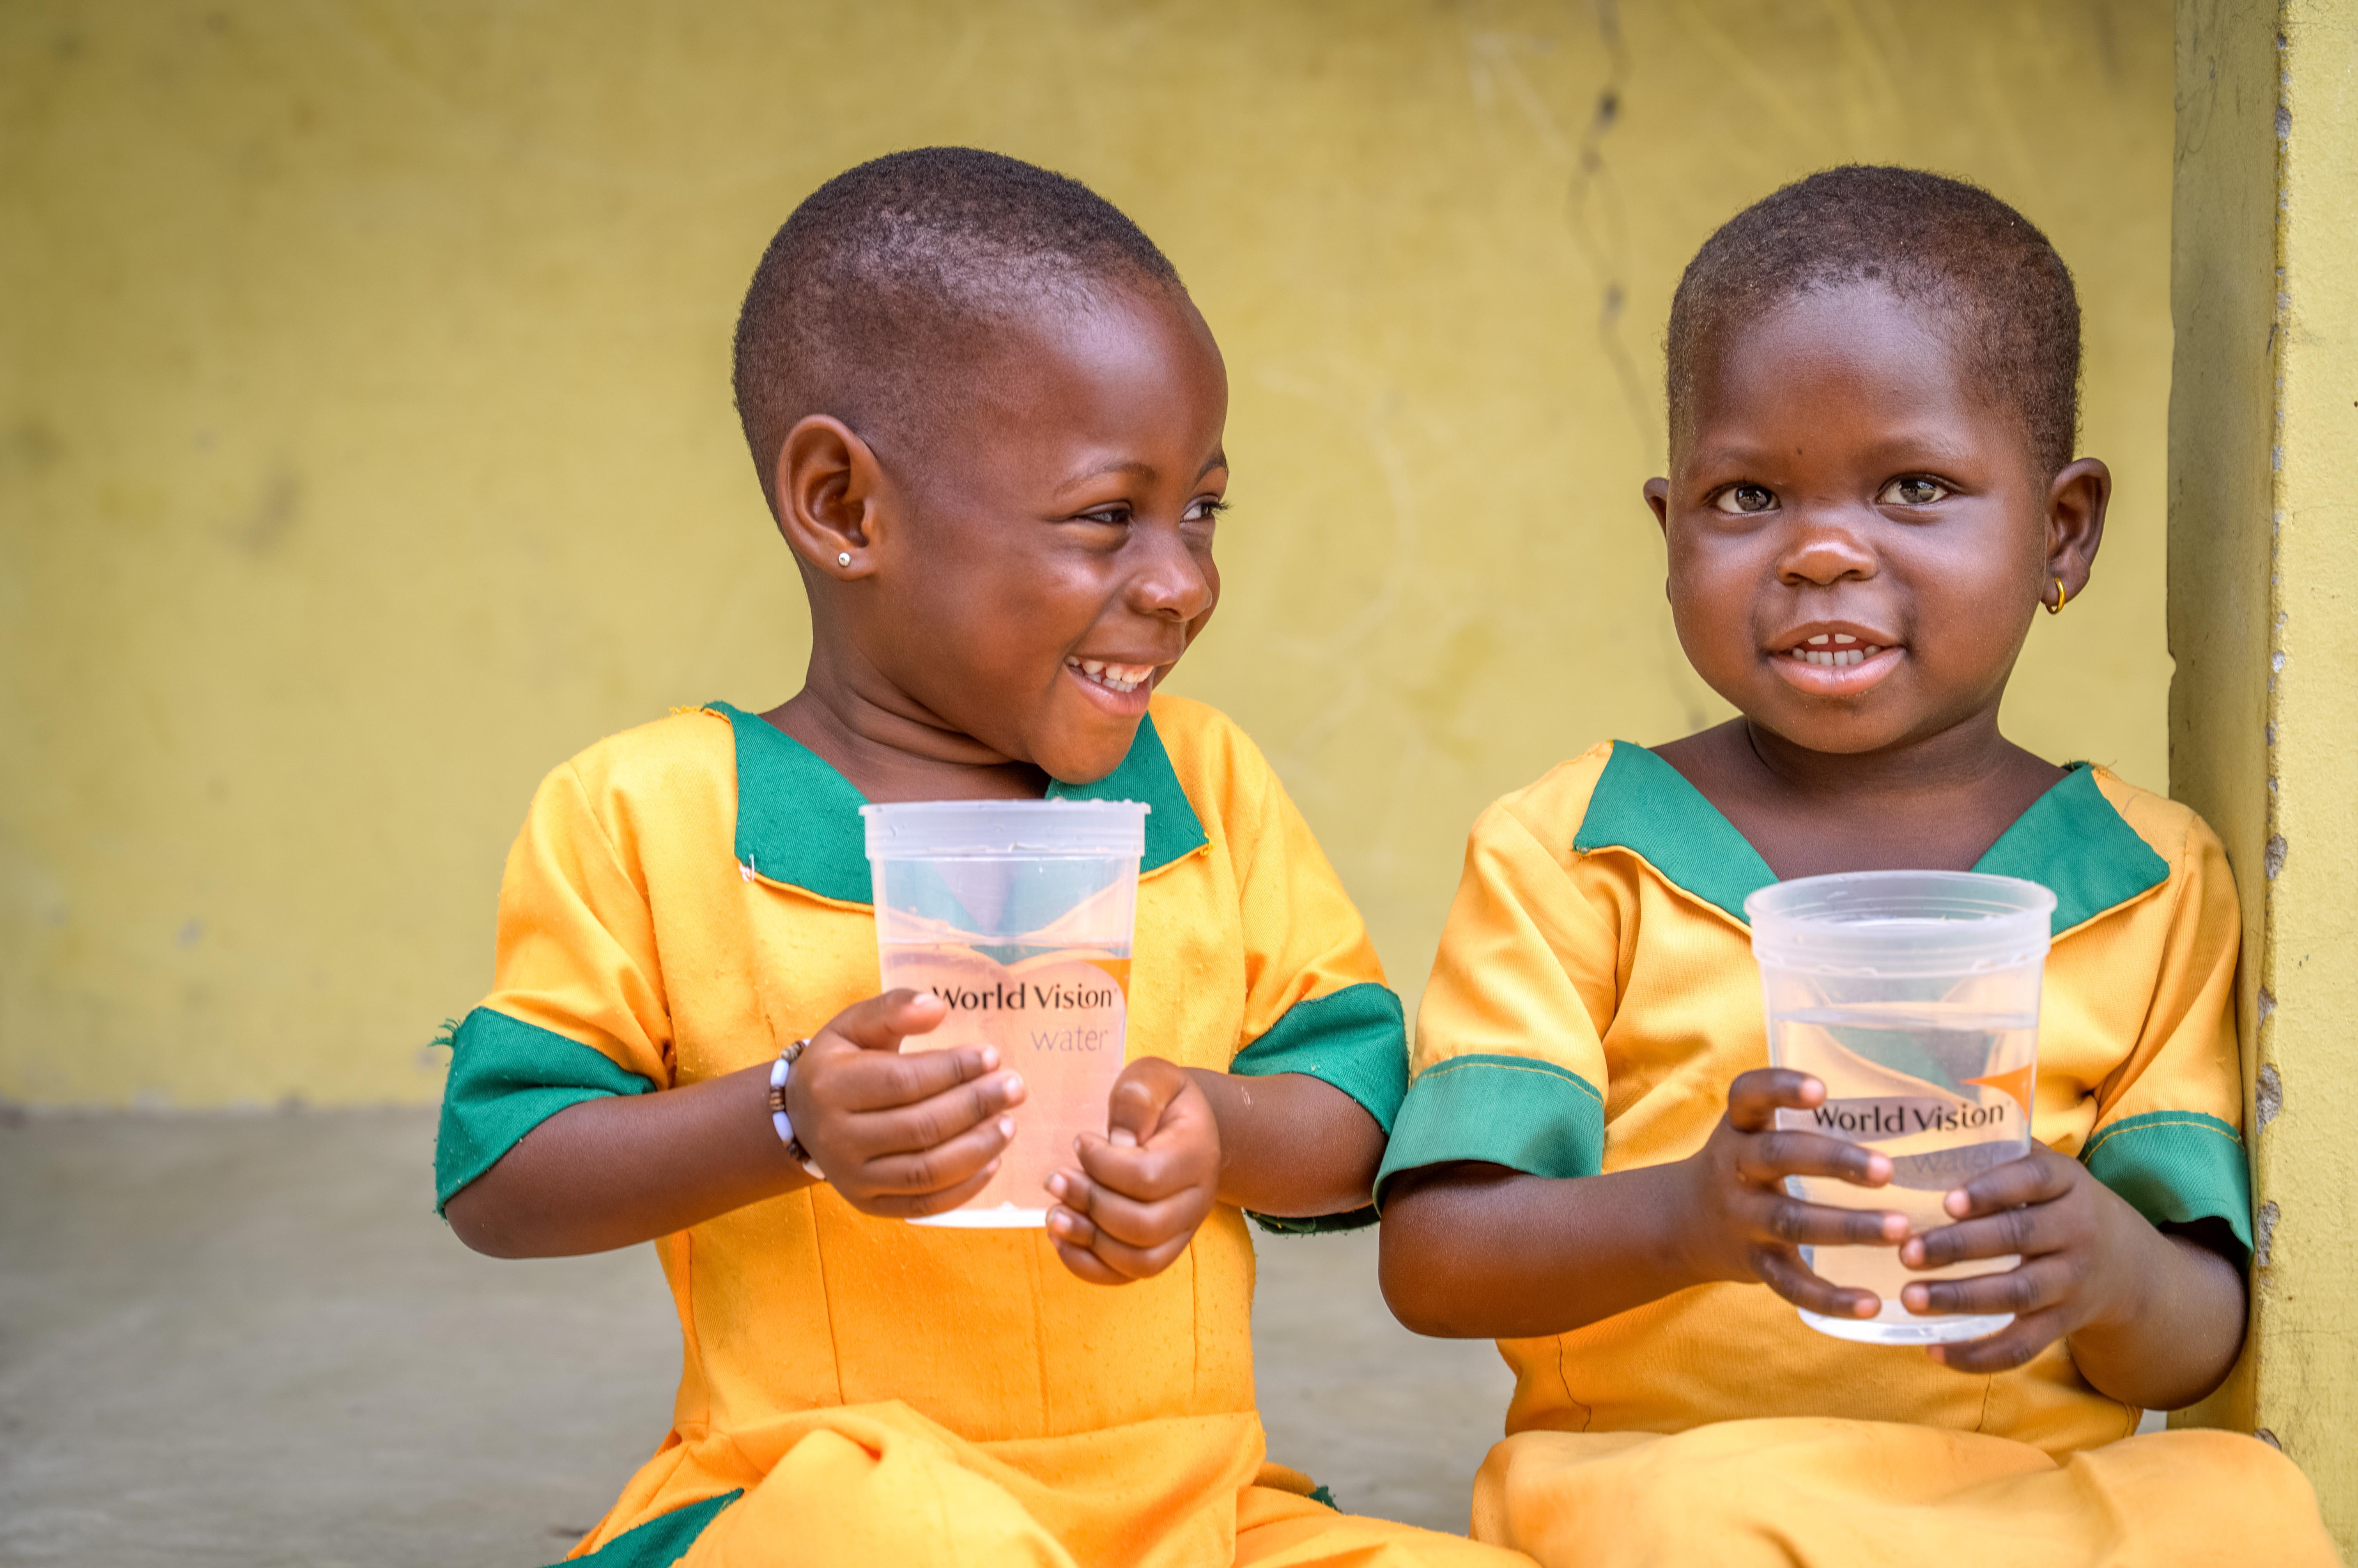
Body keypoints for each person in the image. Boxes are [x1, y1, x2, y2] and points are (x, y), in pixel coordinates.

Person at [434, 148, 1529, 1568]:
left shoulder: (1202, 785)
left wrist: (1215, 1125)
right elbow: (502, 1173)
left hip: (1189, 1511)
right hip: (822, 1501)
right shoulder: (647, 812)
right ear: (843, 506)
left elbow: (1363, 1112)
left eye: (1203, 508)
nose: (1182, 578)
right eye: (1104, 516)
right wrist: (785, 1119)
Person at [1374, 166, 2336, 1568]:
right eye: (1748, 493)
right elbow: (1435, 1258)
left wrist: (2107, 1264)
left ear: (2062, 531)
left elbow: (2190, 1340)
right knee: (1672, 1531)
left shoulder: (2146, 880)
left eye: (1917, 487)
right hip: (1680, 1481)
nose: (1824, 549)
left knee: (2243, 1509)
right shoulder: (1577, 851)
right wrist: (1686, 1217)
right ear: (1671, 534)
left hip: (2018, 1499)